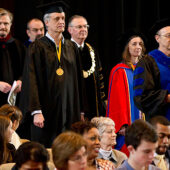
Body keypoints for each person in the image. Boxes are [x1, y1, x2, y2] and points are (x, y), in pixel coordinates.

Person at [19, 2, 82, 147]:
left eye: (63, 18)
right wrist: (36, 111)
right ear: (46, 22)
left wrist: (81, 111)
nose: (61, 22)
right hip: (46, 111)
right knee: (45, 150)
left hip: (69, 109)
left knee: (68, 147)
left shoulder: (71, 47)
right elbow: (31, 79)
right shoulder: (37, 47)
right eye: (56, 19)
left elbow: (78, 81)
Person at [106, 31, 146, 155]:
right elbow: (116, 100)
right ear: (127, 48)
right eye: (134, 44)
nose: (138, 47)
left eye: (140, 44)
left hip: (143, 120)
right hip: (127, 122)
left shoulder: (145, 69)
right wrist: (122, 124)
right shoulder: (119, 70)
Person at [68, 15, 106, 120]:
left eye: (85, 26)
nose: (83, 29)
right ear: (70, 30)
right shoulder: (65, 51)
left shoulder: (92, 50)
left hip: (95, 108)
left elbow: (100, 78)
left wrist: (103, 104)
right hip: (74, 108)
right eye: (79, 27)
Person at [133, 18, 170, 121]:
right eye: (168, 36)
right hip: (161, 125)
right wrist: (166, 98)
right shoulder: (147, 62)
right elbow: (141, 98)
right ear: (157, 38)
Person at [0, 8, 26, 107]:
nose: (2, 26)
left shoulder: (19, 45)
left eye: (6, 23)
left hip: (16, 99)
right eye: (0, 23)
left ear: (11, 25)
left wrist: (21, 81)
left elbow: (27, 69)